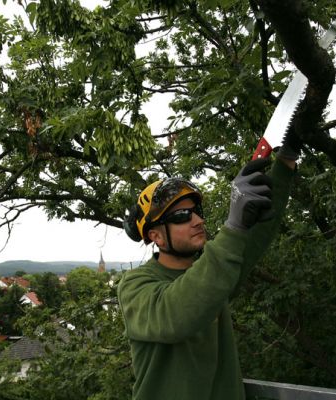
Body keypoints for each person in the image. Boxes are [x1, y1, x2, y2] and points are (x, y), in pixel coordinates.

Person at [118, 144, 297, 400]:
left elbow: (255, 239)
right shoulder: (135, 285)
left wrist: (286, 159)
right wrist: (233, 226)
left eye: (197, 212)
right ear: (156, 236)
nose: (198, 221)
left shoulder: (214, 275)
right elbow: (175, 315)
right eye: (182, 215)